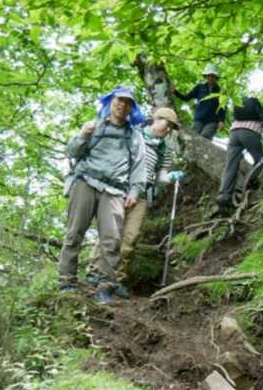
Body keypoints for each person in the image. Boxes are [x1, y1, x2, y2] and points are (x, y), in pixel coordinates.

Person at [58, 86, 147, 304]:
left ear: (131, 108)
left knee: (112, 238)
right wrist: (82, 135)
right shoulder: (93, 126)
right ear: (111, 102)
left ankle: (105, 285)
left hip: (115, 190)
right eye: (119, 100)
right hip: (86, 181)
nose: (122, 105)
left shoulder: (134, 136)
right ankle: (66, 281)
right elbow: (71, 152)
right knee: (74, 231)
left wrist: (134, 191)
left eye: (127, 102)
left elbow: (139, 166)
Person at [87, 106, 183, 295]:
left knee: (130, 238)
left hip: (141, 196)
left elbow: (160, 177)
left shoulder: (164, 150)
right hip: (119, 189)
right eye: (167, 124)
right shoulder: (132, 134)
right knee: (110, 232)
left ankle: (117, 278)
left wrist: (171, 177)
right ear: (156, 119)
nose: (168, 130)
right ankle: (94, 273)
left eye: (172, 127)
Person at [216, 95, 263, 213]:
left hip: (234, 134)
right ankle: (243, 187)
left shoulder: (240, 111)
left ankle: (223, 196)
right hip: (250, 133)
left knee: (230, 165)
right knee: (260, 160)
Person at [177, 63, 224, 138]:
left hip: (212, 120)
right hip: (199, 118)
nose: (210, 78)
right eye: (208, 75)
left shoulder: (220, 91)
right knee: (193, 137)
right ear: (206, 76)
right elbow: (186, 98)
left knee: (205, 136)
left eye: (213, 76)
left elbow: (222, 108)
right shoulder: (199, 87)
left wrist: (221, 121)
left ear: (216, 77)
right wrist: (175, 92)